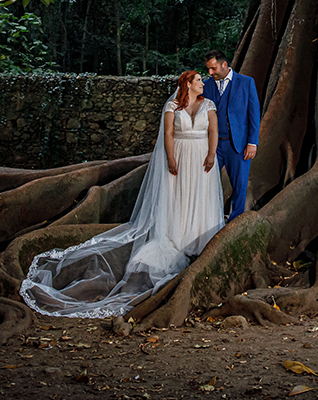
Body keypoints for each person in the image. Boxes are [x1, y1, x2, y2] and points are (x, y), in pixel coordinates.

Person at [18, 71, 224, 318]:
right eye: (199, 80)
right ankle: (179, 237)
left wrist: (212, 154)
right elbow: (168, 134)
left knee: (199, 198)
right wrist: (170, 157)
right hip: (179, 156)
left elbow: (214, 131)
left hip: (201, 158)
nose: (203, 83)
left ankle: (198, 238)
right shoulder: (171, 106)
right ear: (188, 84)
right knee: (178, 198)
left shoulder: (208, 105)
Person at [202, 49, 261, 221]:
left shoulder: (246, 82)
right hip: (212, 146)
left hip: (239, 144)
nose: (210, 73)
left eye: (213, 68)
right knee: (206, 182)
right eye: (208, 69)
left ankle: (235, 220)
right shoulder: (206, 86)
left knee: (240, 185)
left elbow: (254, 114)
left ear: (224, 65)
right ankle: (209, 219)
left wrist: (252, 142)